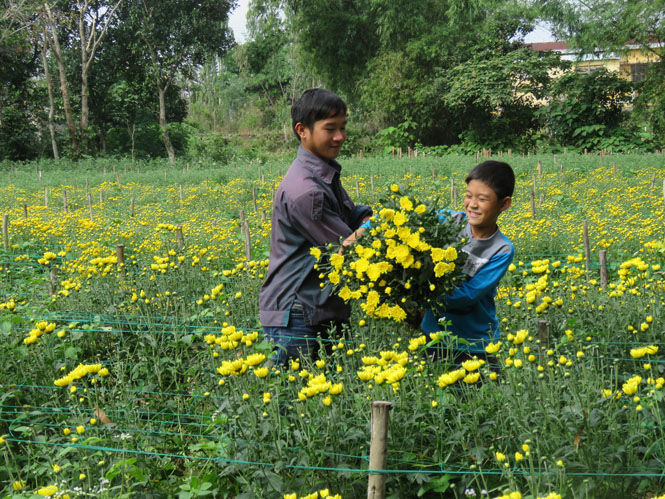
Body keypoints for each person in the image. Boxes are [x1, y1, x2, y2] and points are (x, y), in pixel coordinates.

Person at [259, 88, 372, 366]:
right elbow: (347, 247)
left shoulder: (322, 172)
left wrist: (369, 221)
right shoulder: (307, 191)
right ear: (302, 130)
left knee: (325, 404)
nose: (340, 137)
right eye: (330, 129)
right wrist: (384, 227)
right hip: (299, 314)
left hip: (317, 308)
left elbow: (352, 217)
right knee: (297, 406)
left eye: (343, 128)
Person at [420, 160, 515, 365]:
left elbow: (470, 294)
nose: (472, 204)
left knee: (478, 394)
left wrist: (423, 294)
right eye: (468, 196)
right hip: (434, 335)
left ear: (503, 204)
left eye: (482, 199)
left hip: (474, 342)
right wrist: (361, 231)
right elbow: (408, 215)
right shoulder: (451, 222)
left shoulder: (501, 249)